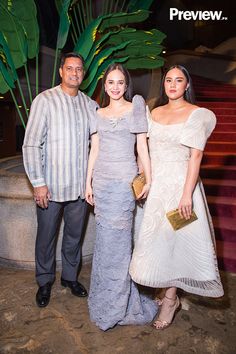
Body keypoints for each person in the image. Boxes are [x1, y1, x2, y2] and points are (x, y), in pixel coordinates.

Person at [129, 65, 224, 330]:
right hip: (156, 188)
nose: (172, 84)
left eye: (178, 80)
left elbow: (195, 157)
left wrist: (186, 195)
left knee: (176, 241)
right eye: (168, 80)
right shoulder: (154, 112)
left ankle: (171, 299)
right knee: (158, 242)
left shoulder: (197, 115)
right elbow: (143, 150)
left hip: (181, 188)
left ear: (187, 85)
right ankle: (167, 290)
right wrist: (142, 178)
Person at [85, 63, 158, 331]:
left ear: (126, 85)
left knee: (119, 247)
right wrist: (87, 182)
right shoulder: (98, 112)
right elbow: (94, 150)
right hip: (102, 184)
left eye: (120, 82)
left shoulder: (136, 107)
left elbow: (142, 147)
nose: (115, 87)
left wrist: (148, 178)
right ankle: (105, 301)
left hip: (124, 183)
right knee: (104, 245)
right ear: (104, 86)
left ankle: (120, 304)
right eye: (110, 83)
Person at [23, 52, 98, 308]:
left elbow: (98, 144)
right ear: (61, 72)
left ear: (83, 73)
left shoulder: (90, 104)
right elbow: (31, 144)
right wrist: (38, 182)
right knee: (46, 237)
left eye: (79, 69)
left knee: (74, 237)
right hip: (51, 187)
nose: (74, 73)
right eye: (70, 68)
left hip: (80, 188)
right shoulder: (45, 100)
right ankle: (44, 281)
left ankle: (69, 277)